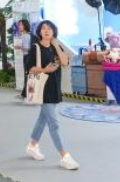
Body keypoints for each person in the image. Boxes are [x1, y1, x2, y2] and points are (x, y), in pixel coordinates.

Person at [24, 20, 79, 170]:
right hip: (42, 89)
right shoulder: (36, 47)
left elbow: (64, 62)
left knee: (43, 118)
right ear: (39, 32)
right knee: (54, 123)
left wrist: (56, 45)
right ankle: (64, 156)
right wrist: (45, 70)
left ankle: (32, 145)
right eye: (43, 28)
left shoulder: (56, 47)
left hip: (54, 87)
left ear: (54, 31)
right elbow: (29, 68)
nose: (46, 30)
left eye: (49, 28)